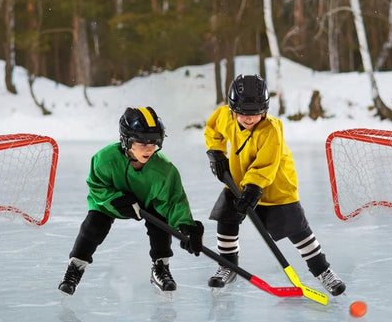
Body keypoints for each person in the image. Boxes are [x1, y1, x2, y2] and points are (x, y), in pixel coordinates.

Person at [203, 74, 345, 296]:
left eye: (255, 113)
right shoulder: (225, 117)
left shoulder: (271, 129)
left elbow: (265, 164)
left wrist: (252, 187)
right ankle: (227, 265)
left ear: (265, 109)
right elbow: (213, 130)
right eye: (243, 113)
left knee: (297, 230)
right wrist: (216, 152)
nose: (249, 119)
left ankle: (323, 271)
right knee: (226, 217)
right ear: (232, 108)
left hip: (276, 186)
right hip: (240, 181)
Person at [58, 106, 204, 295]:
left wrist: (186, 227)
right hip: (110, 204)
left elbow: (173, 200)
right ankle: (75, 267)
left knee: (159, 224)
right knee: (93, 226)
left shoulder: (164, 169)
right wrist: (116, 199)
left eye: (154, 143)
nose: (149, 149)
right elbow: (96, 186)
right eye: (143, 143)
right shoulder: (104, 159)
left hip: (147, 202)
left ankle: (161, 267)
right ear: (126, 141)